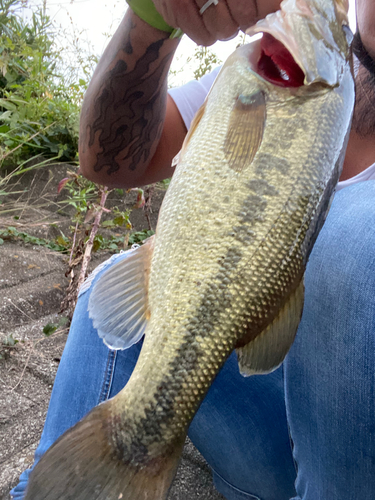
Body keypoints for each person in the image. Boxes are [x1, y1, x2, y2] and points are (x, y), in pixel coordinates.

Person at [11, 0, 375, 499]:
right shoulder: (269, 75)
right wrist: (152, 17)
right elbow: (108, 162)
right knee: (120, 282)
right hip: (264, 435)